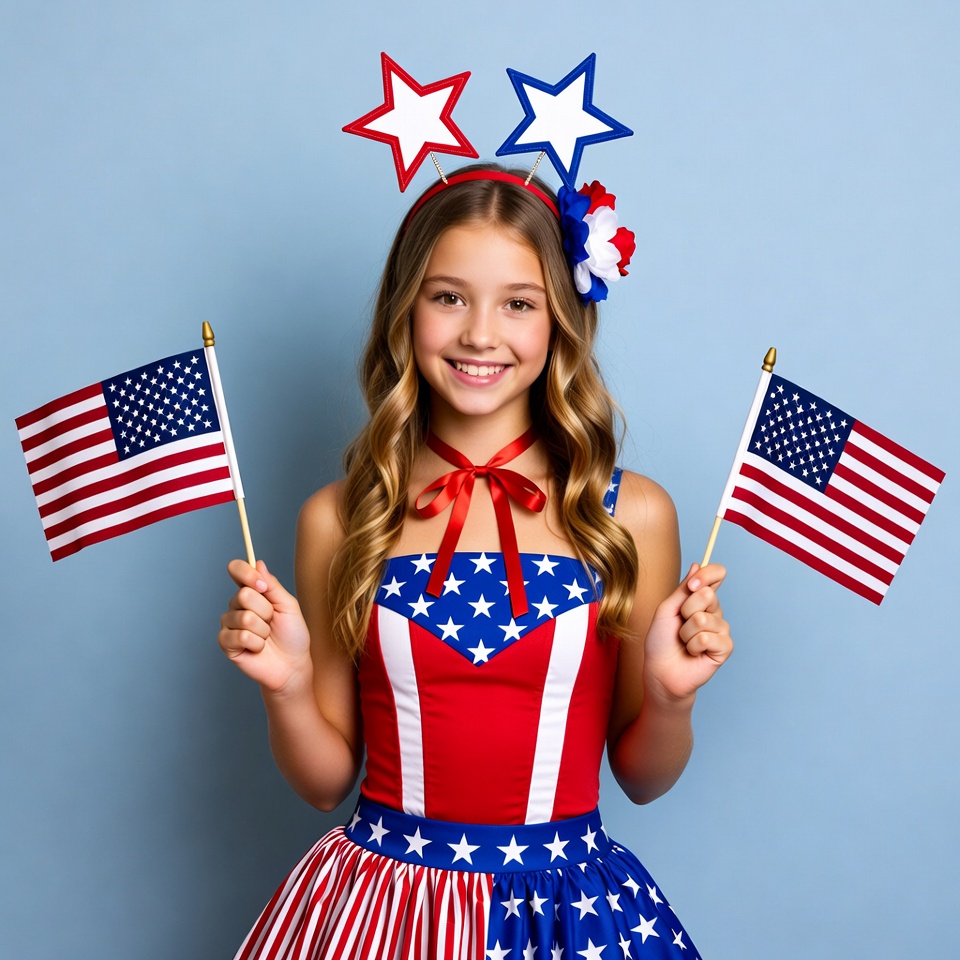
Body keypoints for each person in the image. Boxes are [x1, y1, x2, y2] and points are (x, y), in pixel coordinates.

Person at [218, 163, 733, 960]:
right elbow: (324, 783)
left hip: (565, 906)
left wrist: (670, 699)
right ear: (405, 308)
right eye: (447, 295)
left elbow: (643, 776)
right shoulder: (340, 516)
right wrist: (286, 689)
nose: (480, 334)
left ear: (560, 322)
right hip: (384, 912)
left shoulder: (631, 514)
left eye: (519, 304)